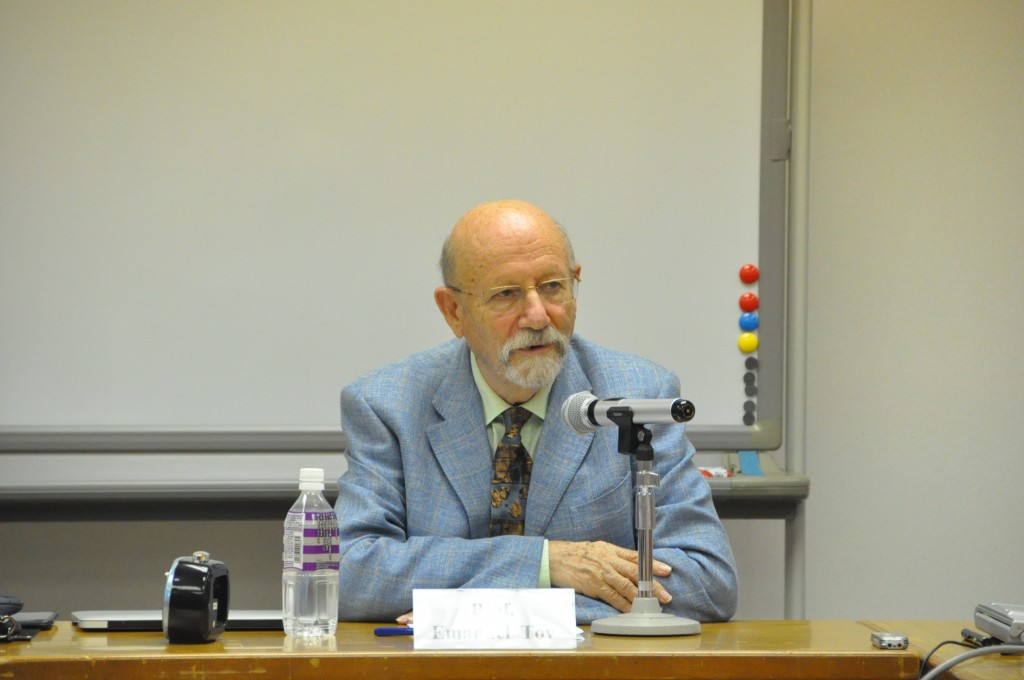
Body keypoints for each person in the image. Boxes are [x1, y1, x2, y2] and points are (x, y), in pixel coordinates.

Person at [336, 199, 737, 624]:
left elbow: (706, 580)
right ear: (454, 311)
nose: (538, 315)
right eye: (506, 294)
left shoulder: (638, 396)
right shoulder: (388, 405)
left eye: (552, 287)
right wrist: (544, 562)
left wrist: (486, 609)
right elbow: (348, 572)